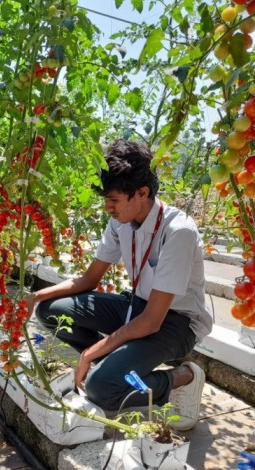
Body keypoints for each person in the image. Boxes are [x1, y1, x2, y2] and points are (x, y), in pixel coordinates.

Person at [28, 139, 213, 431]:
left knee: (102, 390)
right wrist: (34, 296)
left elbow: (153, 321)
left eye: (113, 200)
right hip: (137, 307)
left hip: (174, 323)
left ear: (142, 192)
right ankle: (110, 367)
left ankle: (181, 378)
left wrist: (91, 351)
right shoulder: (120, 222)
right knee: (51, 310)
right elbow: (89, 280)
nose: (107, 208)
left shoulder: (178, 232)